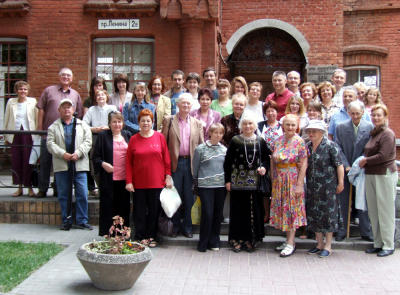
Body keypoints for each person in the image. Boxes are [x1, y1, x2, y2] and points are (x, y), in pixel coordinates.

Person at [224, 111, 270, 253]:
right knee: (238, 212)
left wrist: (264, 168)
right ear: (241, 126)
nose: (248, 126)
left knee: (253, 212)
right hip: (237, 182)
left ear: (255, 125)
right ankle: (237, 240)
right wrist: (227, 180)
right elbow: (228, 161)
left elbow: (266, 159)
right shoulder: (235, 140)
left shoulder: (260, 140)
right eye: (245, 123)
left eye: (250, 123)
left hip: (254, 183)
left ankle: (250, 240)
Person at [126, 109, 172, 247]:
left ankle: (152, 236)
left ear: (152, 122)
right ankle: (140, 237)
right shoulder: (134, 139)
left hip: (157, 182)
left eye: (148, 120)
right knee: (139, 212)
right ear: (138, 122)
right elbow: (128, 162)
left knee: (154, 211)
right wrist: (129, 181)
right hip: (138, 183)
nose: (145, 123)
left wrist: (168, 176)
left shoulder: (159, 137)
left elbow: (166, 159)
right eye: (143, 120)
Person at [36, 67, 83, 198]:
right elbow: (41, 109)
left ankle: (58, 188)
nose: (66, 77)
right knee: (45, 161)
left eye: (68, 75)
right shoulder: (48, 91)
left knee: (62, 164)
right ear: (59, 77)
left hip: (66, 135)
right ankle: (42, 189)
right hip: (48, 133)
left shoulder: (75, 94)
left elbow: (78, 114)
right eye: (63, 75)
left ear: (72, 78)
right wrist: (39, 128)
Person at [162, 93, 204, 237]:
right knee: (175, 196)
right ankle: (174, 226)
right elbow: (163, 145)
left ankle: (187, 227)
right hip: (175, 163)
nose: (185, 105)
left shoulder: (197, 123)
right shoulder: (169, 121)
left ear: (191, 106)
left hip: (191, 164)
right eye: (183, 103)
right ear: (177, 104)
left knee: (189, 197)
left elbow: (201, 146)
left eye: (188, 103)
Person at [47, 98, 92, 231]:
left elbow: (88, 141)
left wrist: (78, 153)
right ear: (59, 110)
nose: (67, 109)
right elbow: (50, 144)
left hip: (79, 164)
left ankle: (82, 220)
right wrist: (63, 154)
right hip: (62, 164)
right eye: (64, 107)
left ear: (73, 110)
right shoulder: (53, 127)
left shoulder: (82, 125)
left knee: (82, 193)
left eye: (69, 107)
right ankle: (66, 220)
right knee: (64, 194)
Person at [361, 104, 397, 257]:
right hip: (371, 174)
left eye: (379, 115)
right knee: (374, 211)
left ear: (385, 117)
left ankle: (388, 244)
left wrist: (365, 160)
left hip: (384, 174)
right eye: (373, 115)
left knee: (386, 211)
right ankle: (378, 243)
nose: (375, 118)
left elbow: (384, 155)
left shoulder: (387, 134)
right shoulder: (374, 133)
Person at [334, 100, 374, 242]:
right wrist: (345, 165)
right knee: (343, 201)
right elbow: (337, 148)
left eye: (358, 113)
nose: (355, 116)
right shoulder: (341, 127)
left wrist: (358, 165)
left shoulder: (369, 127)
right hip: (345, 169)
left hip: (362, 169)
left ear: (363, 113)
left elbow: (370, 148)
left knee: (363, 200)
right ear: (348, 113)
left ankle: (366, 231)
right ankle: (342, 229)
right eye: (352, 113)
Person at [270, 114, 307, 257]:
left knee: (291, 209)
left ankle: (291, 242)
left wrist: (299, 184)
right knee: (283, 209)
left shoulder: (299, 141)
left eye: (293, 125)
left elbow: (303, 163)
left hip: (292, 178)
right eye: (288, 125)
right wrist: (273, 176)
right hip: (279, 179)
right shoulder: (277, 141)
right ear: (283, 126)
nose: (290, 127)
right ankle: (287, 240)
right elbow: (273, 159)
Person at [305, 120, 344, 257]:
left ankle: (328, 245)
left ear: (322, 132)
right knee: (314, 213)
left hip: (328, 186)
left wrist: (341, 182)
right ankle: (319, 243)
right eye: (309, 131)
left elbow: (339, 165)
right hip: (312, 186)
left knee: (328, 214)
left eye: (314, 131)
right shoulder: (307, 146)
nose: (311, 133)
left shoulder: (330, 146)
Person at [92, 111, 131, 236]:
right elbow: (95, 157)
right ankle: (109, 234)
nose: (117, 124)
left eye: (119, 121)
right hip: (109, 178)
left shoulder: (127, 135)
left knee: (123, 207)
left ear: (123, 123)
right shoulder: (103, 136)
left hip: (124, 178)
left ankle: (122, 233)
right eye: (114, 122)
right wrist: (103, 164)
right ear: (109, 123)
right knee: (109, 207)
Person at [193, 123, 227, 252]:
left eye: (220, 133)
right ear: (210, 133)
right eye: (215, 132)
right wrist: (196, 182)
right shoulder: (200, 149)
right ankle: (203, 242)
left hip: (220, 186)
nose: (218, 135)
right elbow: (195, 168)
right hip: (205, 186)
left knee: (218, 214)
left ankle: (214, 241)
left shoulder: (224, 149)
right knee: (207, 213)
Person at [4, 81, 38, 197]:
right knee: (17, 161)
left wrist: (37, 134)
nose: (22, 91)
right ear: (16, 91)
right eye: (20, 89)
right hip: (15, 134)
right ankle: (19, 188)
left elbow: (36, 118)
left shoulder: (32, 102)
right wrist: (5, 134)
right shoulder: (11, 102)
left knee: (28, 161)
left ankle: (29, 188)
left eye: (25, 89)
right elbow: (7, 118)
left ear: (28, 91)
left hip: (28, 134)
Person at [83, 77, 108, 197]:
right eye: (98, 96)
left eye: (103, 96)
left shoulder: (112, 108)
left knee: (108, 163)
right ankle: (98, 188)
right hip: (95, 139)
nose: (101, 98)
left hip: (108, 139)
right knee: (95, 165)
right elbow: (84, 125)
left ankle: (107, 187)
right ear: (95, 98)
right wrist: (95, 129)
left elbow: (119, 123)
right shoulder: (91, 109)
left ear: (107, 97)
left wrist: (107, 128)